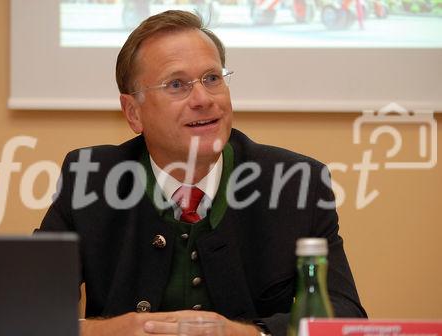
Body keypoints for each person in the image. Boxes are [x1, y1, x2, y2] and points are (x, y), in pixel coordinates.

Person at [37, 10, 367, 336]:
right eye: (177, 84)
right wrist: (106, 332)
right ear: (134, 112)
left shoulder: (298, 183)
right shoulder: (90, 180)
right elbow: (27, 308)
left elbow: (344, 315)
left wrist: (252, 334)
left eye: (212, 78)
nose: (203, 99)